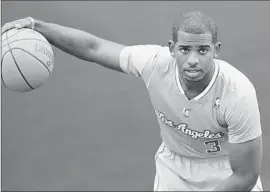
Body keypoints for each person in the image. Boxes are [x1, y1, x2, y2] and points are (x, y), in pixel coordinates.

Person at [2, 11, 263, 191]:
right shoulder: (153, 63)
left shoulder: (238, 93)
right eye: (185, 49)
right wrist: (38, 25)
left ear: (216, 50)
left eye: (203, 50)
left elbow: (245, 176)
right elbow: (94, 48)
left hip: (227, 170)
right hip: (174, 171)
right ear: (171, 48)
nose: (193, 59)